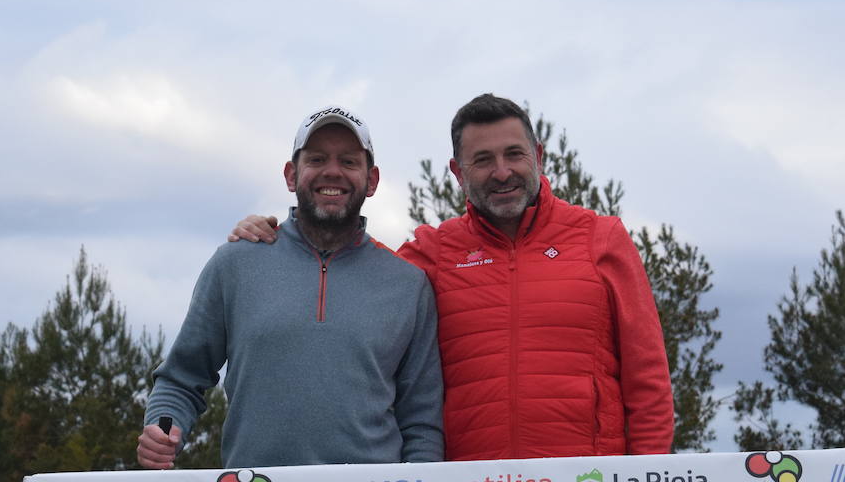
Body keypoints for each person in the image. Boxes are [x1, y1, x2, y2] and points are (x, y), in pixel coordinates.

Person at [231, 94, 673, 461]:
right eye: (482, 160)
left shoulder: (602, 239)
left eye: (514, 154)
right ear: (458, 173)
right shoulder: (434, 252)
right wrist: (281, 237)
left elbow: (648, 381)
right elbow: (344, 257)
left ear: (537, 157)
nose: (502, 172)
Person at [139, 106, 443, 469]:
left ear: (372, 180)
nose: (332, 171)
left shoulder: (407, 284)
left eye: (348, 161)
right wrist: (162, 429)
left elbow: (422, 419)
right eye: (316, 159)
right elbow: (181, 378)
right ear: (291, 174)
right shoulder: (234, 264)